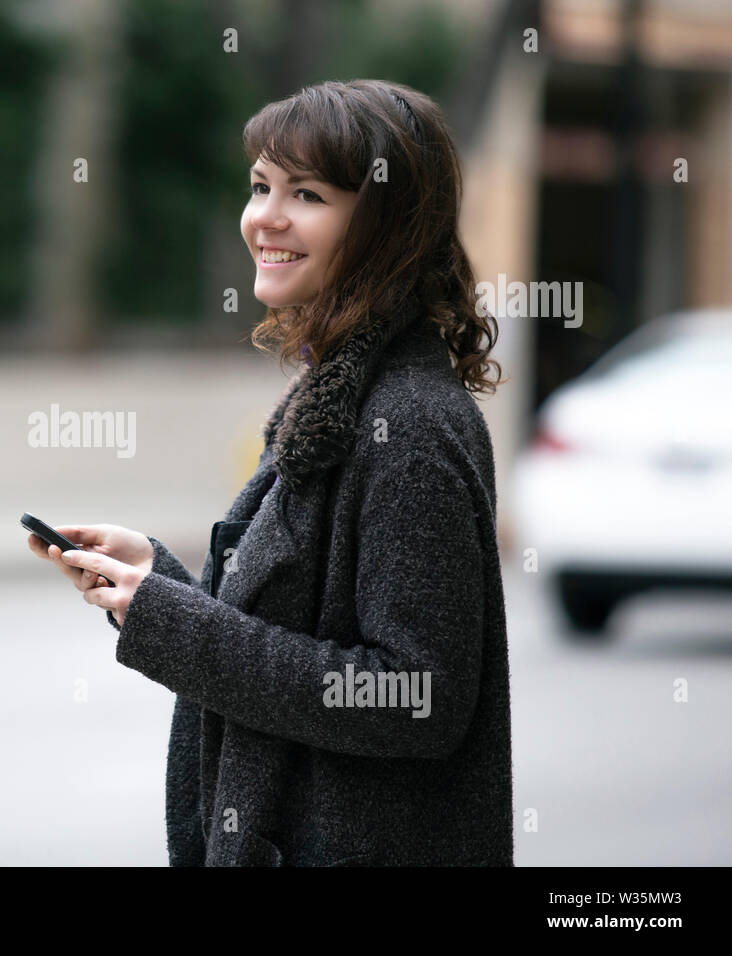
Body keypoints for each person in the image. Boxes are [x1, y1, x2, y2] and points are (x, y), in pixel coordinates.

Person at [27, 79, 513, 866]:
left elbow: (416, 696)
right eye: (260, 186)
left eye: (308, 193)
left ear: (389, 224)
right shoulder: (338, 398)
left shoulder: (409, 427)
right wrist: (162, 586)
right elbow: (299, 633)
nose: (266, 218)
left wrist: (175, 625)